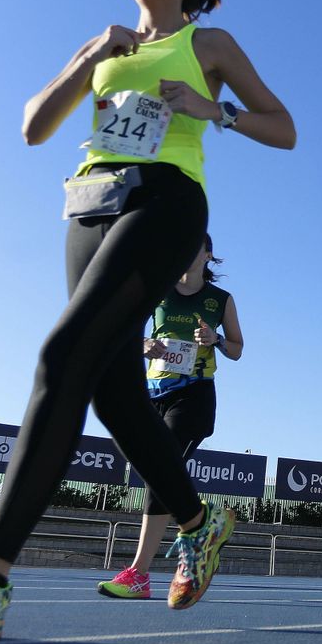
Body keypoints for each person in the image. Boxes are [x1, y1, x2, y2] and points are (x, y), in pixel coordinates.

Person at [0, 0, 296, 639]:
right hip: (91, 206)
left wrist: (212, 110)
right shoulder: (102, 44)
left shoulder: (208, 45)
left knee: (61, 357)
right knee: (112, 389)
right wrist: (95, 55)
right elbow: (35, 127)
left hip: (165, 200)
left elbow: (283, 127)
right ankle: (199, 518)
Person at [97, 235, 243, 599]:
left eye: (194, 244)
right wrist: (144, 345)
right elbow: (128, 332)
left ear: (207, 254)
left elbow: (238, 349)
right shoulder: (156, 291)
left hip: (194, 394)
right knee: (157, 473)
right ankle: (202, 524)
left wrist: (216, 340)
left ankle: (139, 572)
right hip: (153, 395)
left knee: (163, 465)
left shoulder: (220, 300)